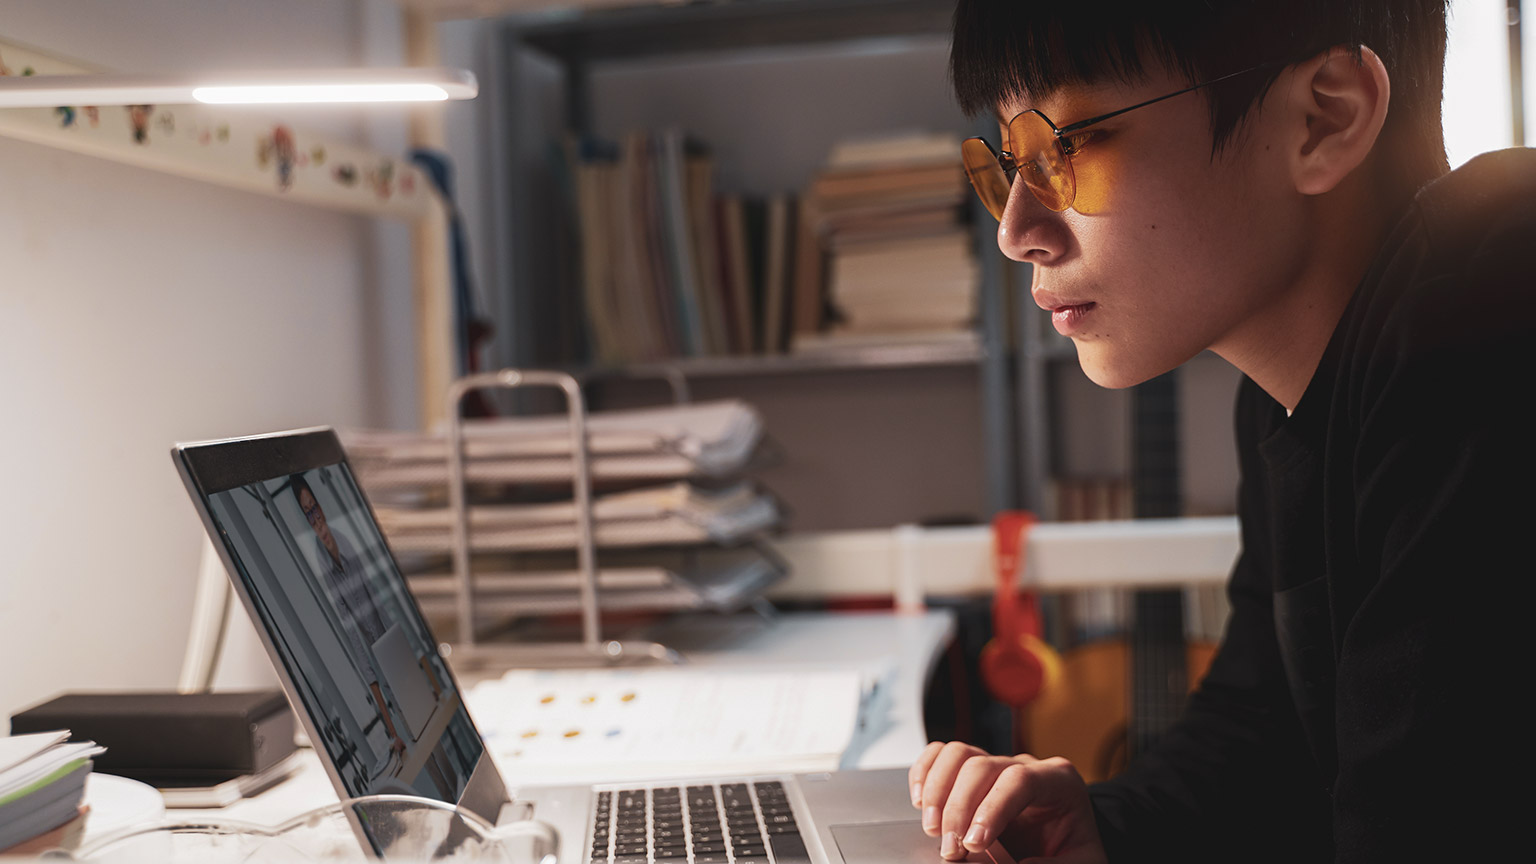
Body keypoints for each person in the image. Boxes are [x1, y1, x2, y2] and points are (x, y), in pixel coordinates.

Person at [910, 1, 1532, 861]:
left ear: (1325, 119)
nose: (1018, 232)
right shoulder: (1294, 381)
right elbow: (1263, 722)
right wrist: (1105, 827)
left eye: (1069, 146)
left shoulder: (1490, 325)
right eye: (1011, 163)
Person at [289, 474, 411, 763]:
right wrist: (392, 732)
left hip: (384, 639)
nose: (316, 519)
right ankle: (393, 729)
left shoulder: (344, 541)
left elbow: (378, 603)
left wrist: (400, 652)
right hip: (365, 650)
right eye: (308, 514)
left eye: (315, 508)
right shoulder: (320, 565)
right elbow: (354, 638)